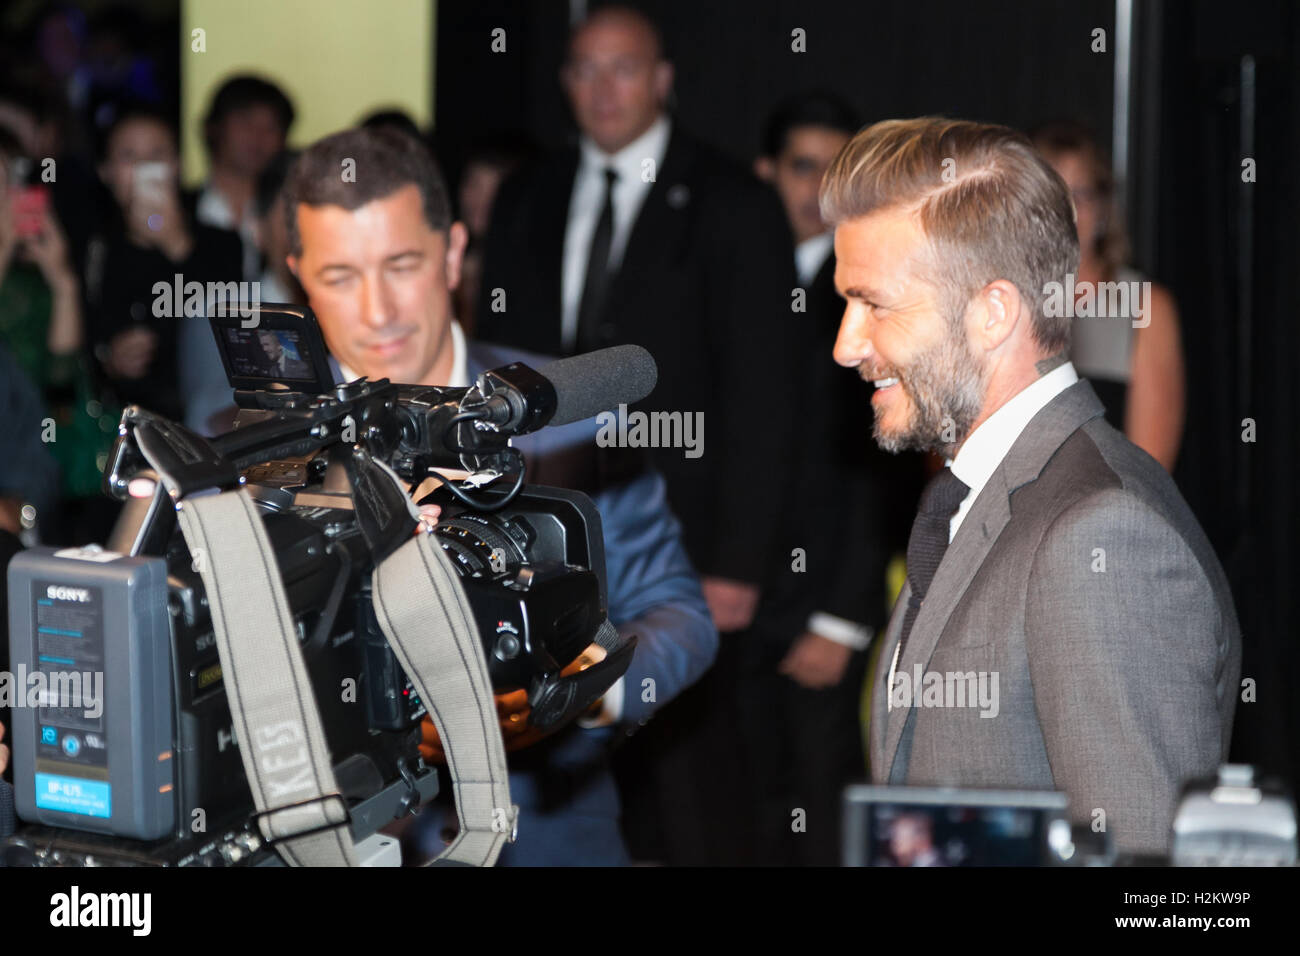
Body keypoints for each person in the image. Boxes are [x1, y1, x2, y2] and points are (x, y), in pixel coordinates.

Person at [281, 125, 718, 865]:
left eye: (402, 264)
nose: (378, 309)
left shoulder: (570, 413)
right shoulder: (253, 445)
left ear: (453, 252)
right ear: (297, 276)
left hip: (546, 831)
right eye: (340, 277)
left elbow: (683, 615)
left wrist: (578, 694)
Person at [822, 117, 1240, 855]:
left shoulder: (1101, 536)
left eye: (875, 304)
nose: (846, 344)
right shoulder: (973, 491)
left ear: (993, 313)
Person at [474, 4, 798, 863]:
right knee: (556, 767)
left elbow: (767, 401)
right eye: (584, 69)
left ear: (662, 80)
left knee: (697, 795)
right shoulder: (526, 194)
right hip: (537, 538)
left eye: (623, 68)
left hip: (683, 542)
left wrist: (736, 564)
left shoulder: (734, 201)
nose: (603, 88)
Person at [1031, 121, 1185, 471]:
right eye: (1052, 195)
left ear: (1103, 207)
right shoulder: (1000, 304)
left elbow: (1150, 470)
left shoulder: (1144, 305)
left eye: (1081, 194)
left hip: (1106, 519)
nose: (1067, 210)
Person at [87, 104, 242, 427]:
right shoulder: (93, 249)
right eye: (129, 156)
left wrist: (177, 244)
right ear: (106, 172)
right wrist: (108, 359)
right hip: (120, 427)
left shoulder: (221, 243)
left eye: (157, 155)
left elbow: (232, 328)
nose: (145, 168)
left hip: (203, 429)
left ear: (177, 166)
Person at [192, 75, 296, 281]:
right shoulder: (180, 211)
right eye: (245, 121)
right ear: (213, 127)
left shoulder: (292, 215)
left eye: (271, 126)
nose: (258, 136)